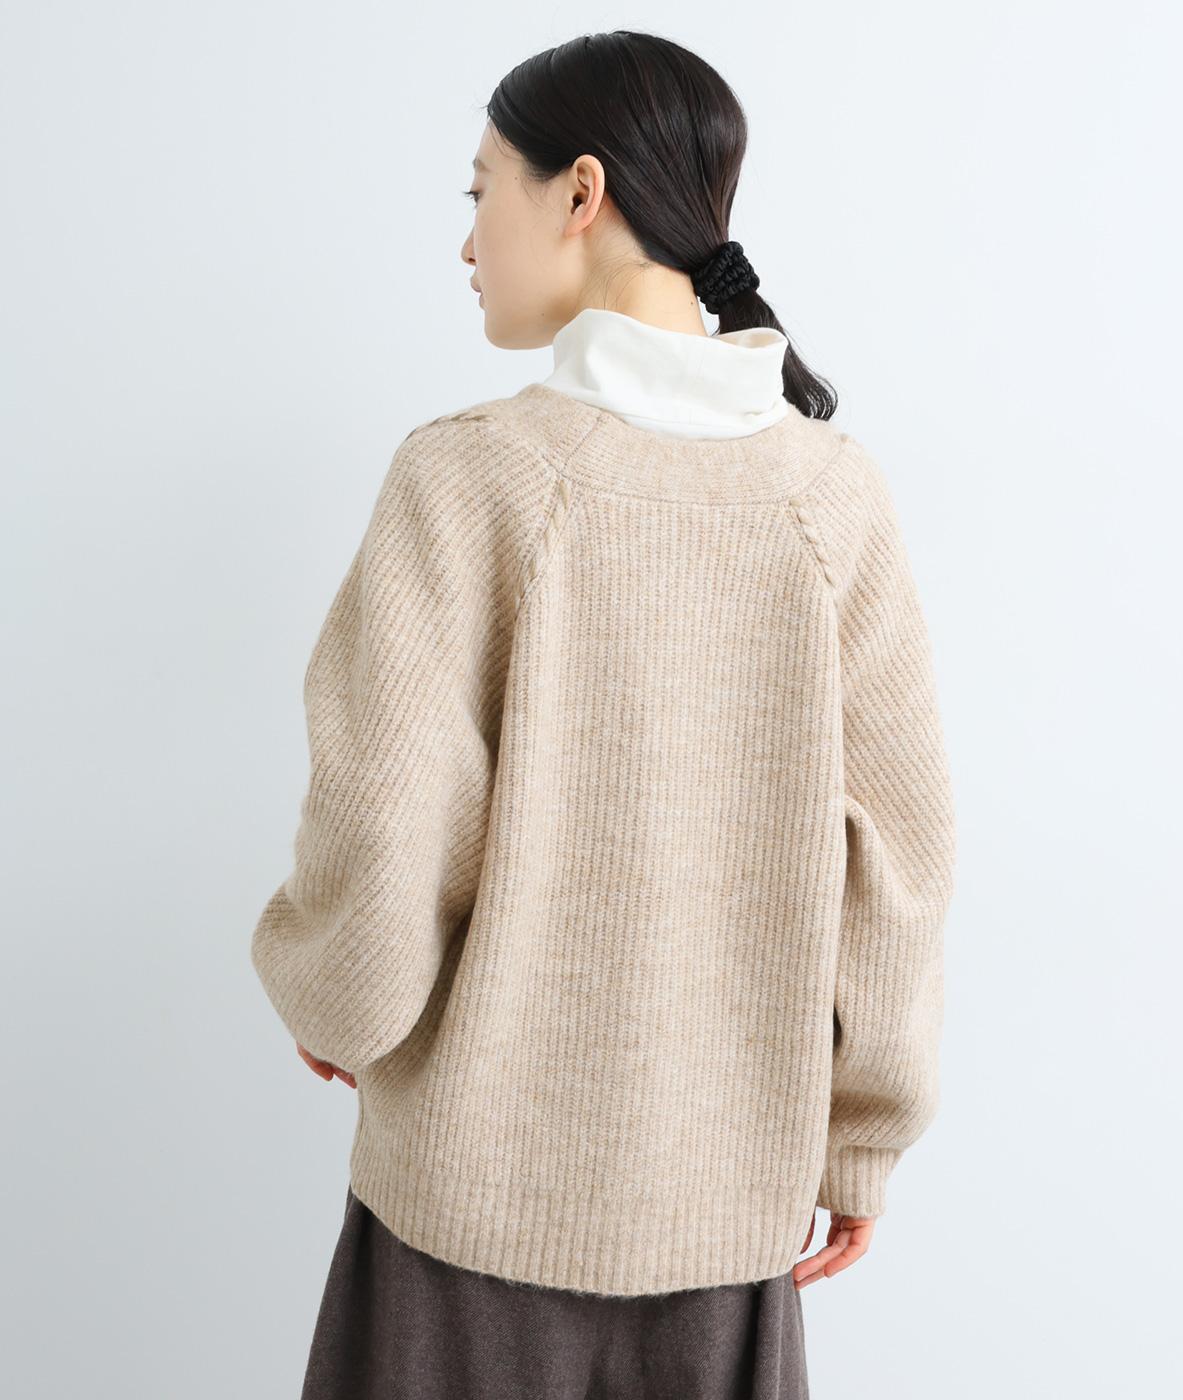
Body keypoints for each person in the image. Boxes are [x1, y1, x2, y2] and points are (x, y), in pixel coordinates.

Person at [250, 29, 957, 1400]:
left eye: (479, 193)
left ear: (581, 191)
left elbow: (387, 818)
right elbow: (900, 860)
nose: (466, 243)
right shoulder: (831, 498)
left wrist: (339, 992)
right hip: (725, 1233)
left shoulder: (470, 479)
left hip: (461, 1234)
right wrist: (861, 1137)